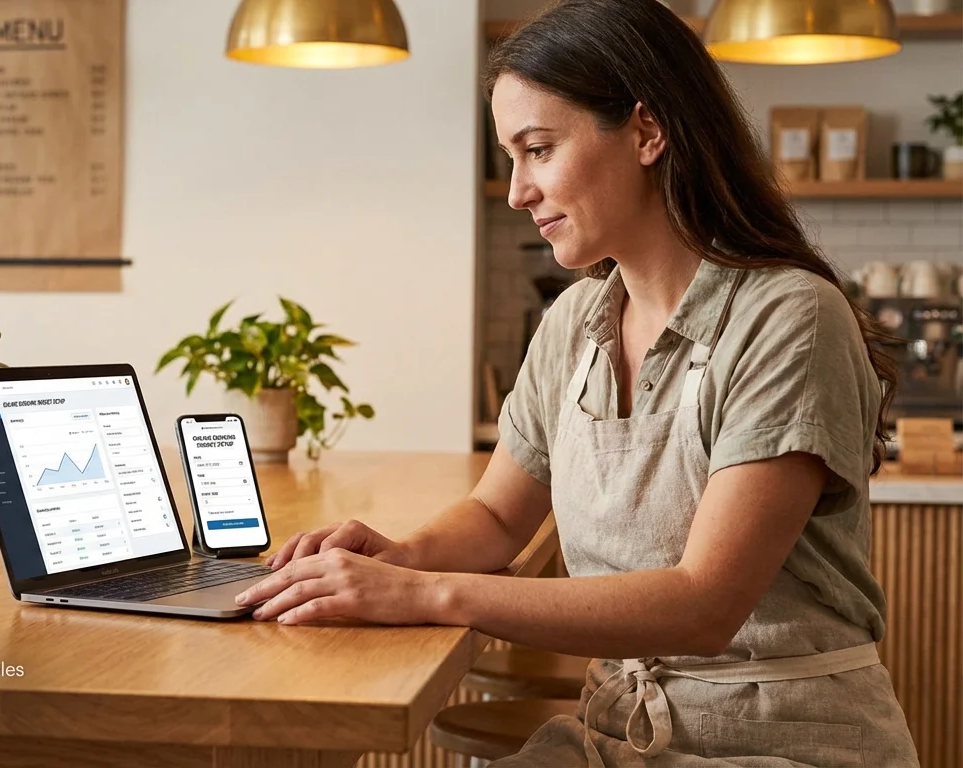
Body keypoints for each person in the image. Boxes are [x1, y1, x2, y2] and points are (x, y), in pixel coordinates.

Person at [232, 0, 920, 764]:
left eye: (538, 149)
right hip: (612, 737)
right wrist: (400, 558)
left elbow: (703, 606)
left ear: (647, 132)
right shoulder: (574, 324)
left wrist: (424, 595)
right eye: (511, 156)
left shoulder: (789, 317)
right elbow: (497, 517)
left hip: (779, 744)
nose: (517, 190)